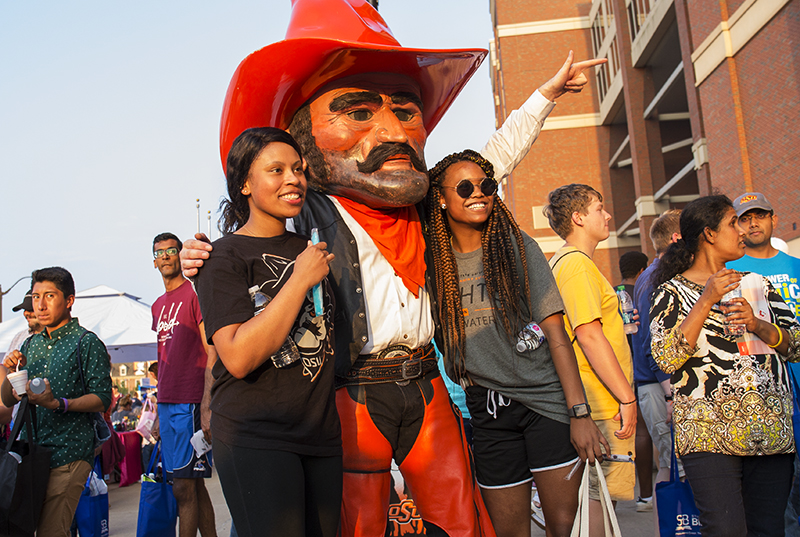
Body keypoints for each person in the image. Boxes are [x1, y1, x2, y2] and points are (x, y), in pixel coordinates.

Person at [180, 1, 605, 535]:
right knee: (358, 521)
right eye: (358, 113)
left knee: (457, 519)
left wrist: (543, 98)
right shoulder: (308, 212)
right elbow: (256, 226)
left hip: (425, 381)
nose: (392, 133)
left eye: (405, 113)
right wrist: (206, 251)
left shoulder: (428, 209)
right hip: (354, 391)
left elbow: (491, 161)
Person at [425, 150, 608, 537]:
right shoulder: (431, 260)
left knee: (563, 527)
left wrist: (579, 413)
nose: (479, 193)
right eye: (464, 187)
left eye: (487, 185)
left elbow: (557, 334)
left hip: (546, 404)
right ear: (440, 197)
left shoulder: (515, 246)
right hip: (487, 411)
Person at [194, 127, 340, 537]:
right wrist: (297, 281)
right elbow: (237, 357)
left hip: (320, 433)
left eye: (298, 169)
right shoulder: (221, 256)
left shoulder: (311, 249)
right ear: (244, 183)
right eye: (275, 170)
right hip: (255, 435)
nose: (293, 179)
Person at [650, 195, 799, 536]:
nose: (743, 229)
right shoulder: (671, 293)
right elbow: (666, 357)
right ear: (709, 234)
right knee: (725, 530)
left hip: (770, 431)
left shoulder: (758, 284)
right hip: (709, 437)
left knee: (768, 530)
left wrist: (759, 324)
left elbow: (796, 346)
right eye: (734, 222)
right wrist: (706, 299)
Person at [544, 184, 637, 537]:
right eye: (600, 208)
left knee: (595, 500)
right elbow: (589, 334)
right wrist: (626, 397)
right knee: (598, 501)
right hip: (599, 402)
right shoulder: (577, 266)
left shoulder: (565, 262)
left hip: (591, 399)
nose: (608, 215)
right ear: (578, 217)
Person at [0, 267, 112, 537]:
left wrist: (59, 403)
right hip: (31, 456)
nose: (40, 304)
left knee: (52, 531)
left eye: (49, 296)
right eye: (36, 296)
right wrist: (8, 372)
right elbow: (7, 399)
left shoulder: (86, 343)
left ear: (69, 300)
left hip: (70, 452)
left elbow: (102, 398)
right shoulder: (30, 345)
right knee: (23, 529)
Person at [726, 192, 800, 535]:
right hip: (766, 396)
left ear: (773, 219)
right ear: (738, 227)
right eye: (745, 218)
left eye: (760, 215)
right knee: (779, 495)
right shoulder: (728, 272)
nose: (753, 223)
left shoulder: (795, 266)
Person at [151, 232, 218, 537]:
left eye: (171, 250)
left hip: (190, 403)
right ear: (154, 261)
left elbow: (212, 349)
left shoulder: (194, 294)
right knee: (193, 484)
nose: (165, 256)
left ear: (180, 255)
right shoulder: (157, 305)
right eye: (159, 252)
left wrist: (207, 404)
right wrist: (156, 413)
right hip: (167, 404)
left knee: (183, 487)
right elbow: (165, 355)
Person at [631, 210, 681, 530]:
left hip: (655, 386)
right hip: (660, 388)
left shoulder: (647, 274)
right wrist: (670, 391)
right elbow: (653, 341)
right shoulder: (657, 277)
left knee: (669, 466)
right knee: (675, 468)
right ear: (677, 239)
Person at [614, 251, 653, 513]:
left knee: (620, 432)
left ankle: (614, 499)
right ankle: (646, 495)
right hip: (640, 368)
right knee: (643, 433)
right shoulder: (643, 290)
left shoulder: (612, 292)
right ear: (642, 269)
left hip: (615, 372)